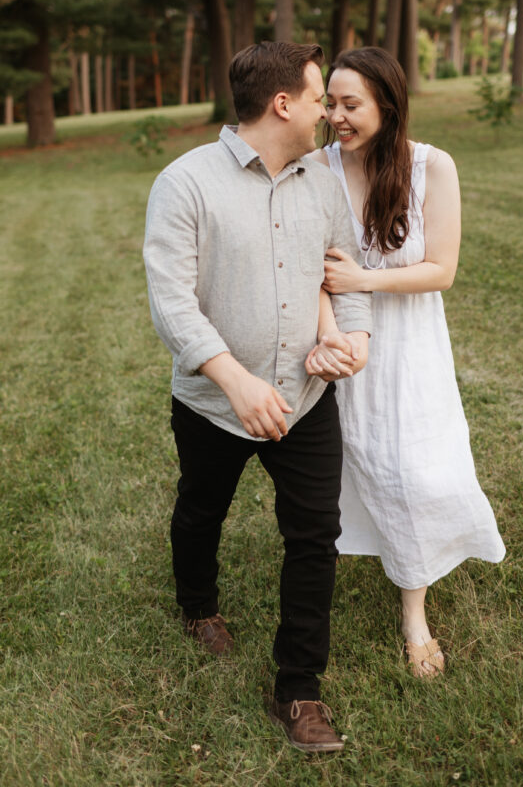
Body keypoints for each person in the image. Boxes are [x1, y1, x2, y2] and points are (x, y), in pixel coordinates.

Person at [142, 41, 372, 752]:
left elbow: (343, 277)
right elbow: (171, 303)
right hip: (214, 403)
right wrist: (234, 380)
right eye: (316, 99)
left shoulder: (322, 183)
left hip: (304, 399)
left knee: (315, 535)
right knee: (201, 508)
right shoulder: (184, 183)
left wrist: (352, 341)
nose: (325, 112)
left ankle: (298, 689)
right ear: (282, 104)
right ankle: (197, 605)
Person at [305, 46, 505, 678]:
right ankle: (329, 569)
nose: (335, 116)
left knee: (415, 470)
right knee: (343, 465)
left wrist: (364, 279)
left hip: (412, 343)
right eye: (330, 103)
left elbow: (441, 269)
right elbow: (306, 265)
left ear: (387, 106)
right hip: (338, 340)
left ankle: (414, 612)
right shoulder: (316, 168)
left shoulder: (431, 166)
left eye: (351, 104)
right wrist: (332, 331)